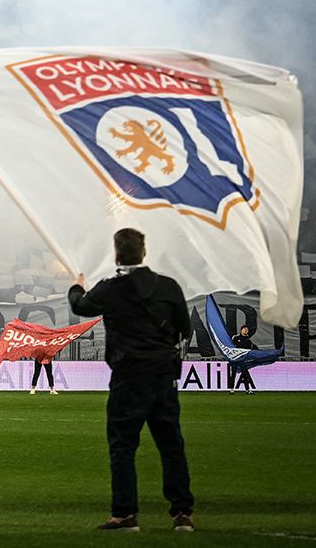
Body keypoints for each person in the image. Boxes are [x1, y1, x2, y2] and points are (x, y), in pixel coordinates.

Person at [69, 228, 196, 533]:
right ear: (144, 252)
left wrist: (76, 286)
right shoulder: (168, 286)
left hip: (128, 376)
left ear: (116, 254)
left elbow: (81, 306)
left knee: (123, 446)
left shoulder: (111, 288)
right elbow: (184, 327)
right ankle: (182, 514)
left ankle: (125, 514)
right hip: (164, 375)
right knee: (171, 446)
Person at [229, 325, 260, 393]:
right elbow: (231, 347)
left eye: (247, 329)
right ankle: (231, 389)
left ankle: (247, 389)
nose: (246, 330)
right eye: (244, 329)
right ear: (241, 330)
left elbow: (249, 350)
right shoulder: (236, 337)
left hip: (242, 359)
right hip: (235, 358)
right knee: (233, 374)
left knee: (245, 374)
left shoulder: (248, 340)